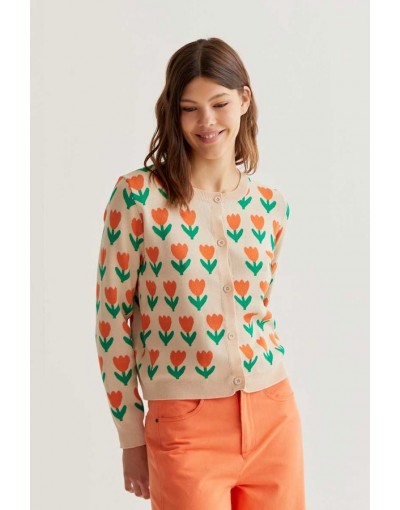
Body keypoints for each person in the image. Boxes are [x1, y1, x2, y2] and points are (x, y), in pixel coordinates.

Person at [94, 37, 306, 509]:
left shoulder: (270, 206)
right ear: (173, 112)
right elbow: (111, 323)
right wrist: (130, 436)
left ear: (244, 100)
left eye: (219, 104)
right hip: (183, 427)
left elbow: (256, 311)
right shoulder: (138, 197)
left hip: (273, 415)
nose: (206, 121)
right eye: (189, 109)